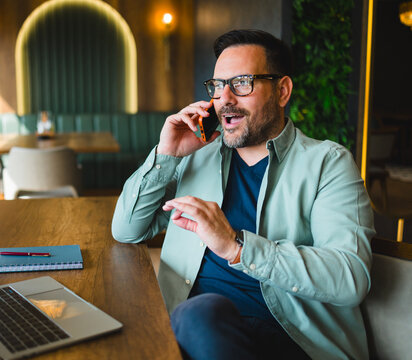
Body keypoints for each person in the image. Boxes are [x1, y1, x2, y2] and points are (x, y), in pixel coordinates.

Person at [111, 29, 375, 360]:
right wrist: (166, 152)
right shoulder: (196, 155)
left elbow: (350, 277)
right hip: (193, 331)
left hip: (291, 339)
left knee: (198, 314)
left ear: (282, 91)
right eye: (218, 86)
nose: (225, 99)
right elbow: (127, 228)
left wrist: (236, 248)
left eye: (242, 83)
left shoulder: (328, 163)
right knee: (195, 315)